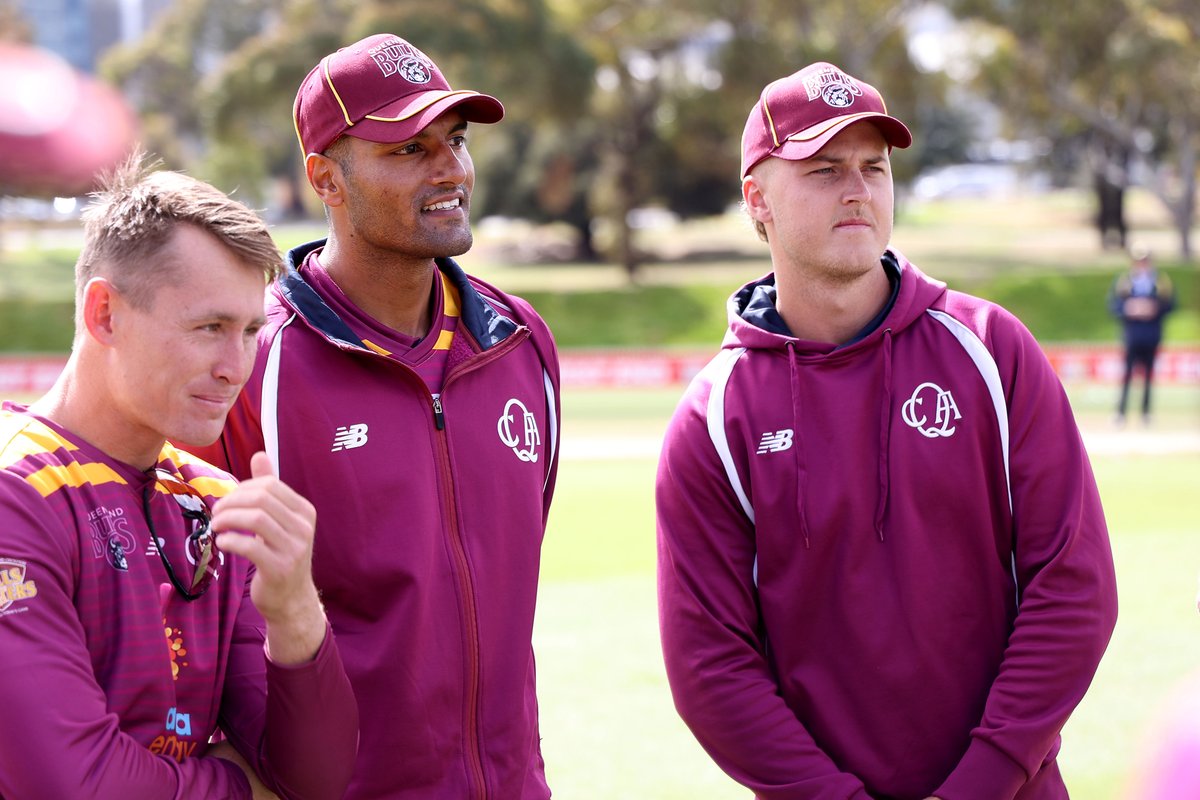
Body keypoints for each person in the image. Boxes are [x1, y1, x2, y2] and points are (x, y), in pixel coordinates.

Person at [655, 62, 1118, 799]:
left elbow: (1074, 584)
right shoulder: (714, 418)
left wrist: (982, 781)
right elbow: (710, 664)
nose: (857, 190)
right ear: (757, 200)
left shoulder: (991, 350)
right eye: (824, 169)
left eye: (874, 167)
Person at [188, 33, 561, 799]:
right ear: (326, 179)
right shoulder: (253, 363)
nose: (450, 169)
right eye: (410, 149)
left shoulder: (521, 341)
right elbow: (204, 623)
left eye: (456, 141)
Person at [0, 157, 358, 797]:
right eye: (209, 328)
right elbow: (76, 785)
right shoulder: (16, 495)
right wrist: (242, 786)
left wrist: (297, 613)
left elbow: (317, 779)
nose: (235, 367)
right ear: (105, 314)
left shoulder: (218, 502)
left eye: (250, 331)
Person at [1109, 247, 1174, 425]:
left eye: (1145, 260)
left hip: (1152, 334)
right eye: (1139, 261)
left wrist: (1154, 308)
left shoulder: (1160, 281)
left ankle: (1146, 413)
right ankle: (1121, 412)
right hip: (1132, 335)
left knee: (1148, 375)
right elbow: (1114, 305)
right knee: (1127, 374)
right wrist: (1129, 309)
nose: (1142, 264)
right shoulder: (1124, 282)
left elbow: (1171, 305)